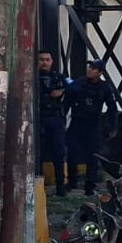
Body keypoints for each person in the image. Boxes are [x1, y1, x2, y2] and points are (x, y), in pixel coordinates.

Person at [64, 59, 120, 195]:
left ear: (100, 72)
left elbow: (112, 108)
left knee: (93, 156)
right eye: (89, 67)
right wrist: (62, 120)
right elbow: (67, 101)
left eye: (93, 68)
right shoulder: (79, 83)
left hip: (93, 125)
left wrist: (113, 127)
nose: (90, 70)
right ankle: (72, 182)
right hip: (77, 122)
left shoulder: (104, 87)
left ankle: (90, 185)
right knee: (72, 153)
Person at [37, 50, 71, 196]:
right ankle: (37, 187)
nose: (44, 62)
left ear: (51, 61)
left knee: (58, 153)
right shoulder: (31, 76)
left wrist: (61, 91)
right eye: (41, 59)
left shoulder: (59, 77)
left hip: (55, 119)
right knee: (36, 154)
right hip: (37, 118)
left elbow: (74, 85)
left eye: (47, 59)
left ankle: (60, 187)